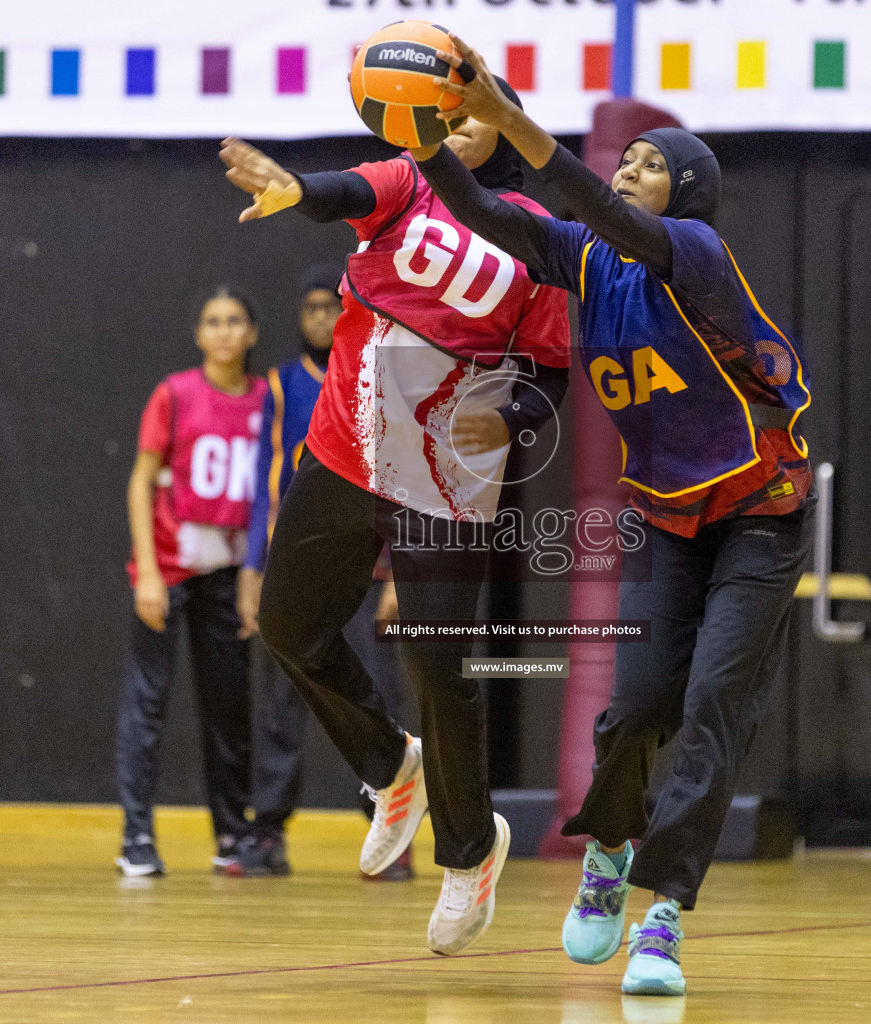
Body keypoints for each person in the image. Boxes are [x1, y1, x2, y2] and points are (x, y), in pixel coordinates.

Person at [408, 38, 814, 996]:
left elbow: (586, 202)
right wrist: (420, 138)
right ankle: (611, 854)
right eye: (624, 158)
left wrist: (510, 119)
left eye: (647, 164)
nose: (625, 169)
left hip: (761, 513)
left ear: (685, 194)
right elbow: (482, 208)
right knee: (631, 709)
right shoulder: (586, 258)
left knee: (714, 705)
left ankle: (664, 916)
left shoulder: (697, 255)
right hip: (672, 518)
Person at [218, 76, 572, 956]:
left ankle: (467, 854)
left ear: (496, 127)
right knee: (287, 627)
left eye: (465, 117)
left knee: (438, 668)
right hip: (345, 445)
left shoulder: (539, 242)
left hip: (446, 472)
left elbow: (554, 371)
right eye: (439, 118)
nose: (448, 127)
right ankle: (389, 765)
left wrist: (520, 418)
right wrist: (298, 190)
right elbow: (344, 191)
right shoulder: (407, 179)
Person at [237, 263, 415, 882]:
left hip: (368, 569)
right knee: (284, 702)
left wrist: (396, 572)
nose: (320, 317)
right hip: (299, 564)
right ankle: (267, 835)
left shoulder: (383, 375)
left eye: (328, 307)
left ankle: (391, 829)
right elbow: (268, 484)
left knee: (375, 696)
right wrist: (255, 569)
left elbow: (401, 477)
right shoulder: (282, 384)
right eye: (310, 307)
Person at [115, 286, 271, 878]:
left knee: (229, 707)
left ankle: (232, 836)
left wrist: (256, 576)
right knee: (147, 704)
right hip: (171, 569)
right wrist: (149, 571)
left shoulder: (265, 399)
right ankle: (135, 836)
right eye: (214, 321)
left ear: (252, 334)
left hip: (230, 575)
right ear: (200, 335)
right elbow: (140, 481)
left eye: (236, 321)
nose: (225, 331)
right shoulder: (174, 394)